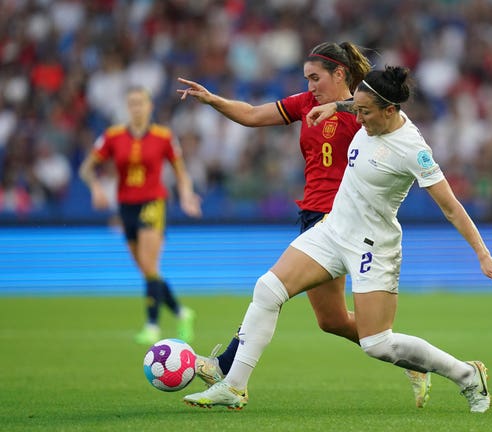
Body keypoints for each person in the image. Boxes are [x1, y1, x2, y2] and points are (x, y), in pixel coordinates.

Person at [182, 66, 492, 413]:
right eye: (355, 109)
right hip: (332, 229)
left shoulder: (412, 149)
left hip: (373, 245)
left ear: (390, 111)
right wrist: (336, 107)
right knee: (268, 289)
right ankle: (233, 386)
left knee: (377, 343)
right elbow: (352, 105)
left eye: (364, 112)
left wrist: (483, 255)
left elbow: (451, 207)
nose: (359, 118)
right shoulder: (365, 112)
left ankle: (467, 374)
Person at [176, 42, 431, 408]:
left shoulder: (364, 112)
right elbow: (251, 114)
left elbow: (395, 118)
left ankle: (226, 371)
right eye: (307, 79)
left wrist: (343, 106)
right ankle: (412, 359)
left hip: (342, 219)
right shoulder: (306, 104)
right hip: (313, 215)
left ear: (340, 74)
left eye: (316, 78)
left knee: (271, 290)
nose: (310, 86)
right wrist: (214, 99)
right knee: (331, 320)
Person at [79, 86, 202, 345]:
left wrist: (187, 195)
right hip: (126, 206)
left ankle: (152, 325)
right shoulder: (113, 136)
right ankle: (182, 312)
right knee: (147, 269)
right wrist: (96, 188)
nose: (136, 108)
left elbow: (181, 172)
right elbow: (86, 169)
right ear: (127, 107)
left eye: (141, 103)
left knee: (148, 263)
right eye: (132, 103)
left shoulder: (164, 136)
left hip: (154, 202)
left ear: (150, 106)